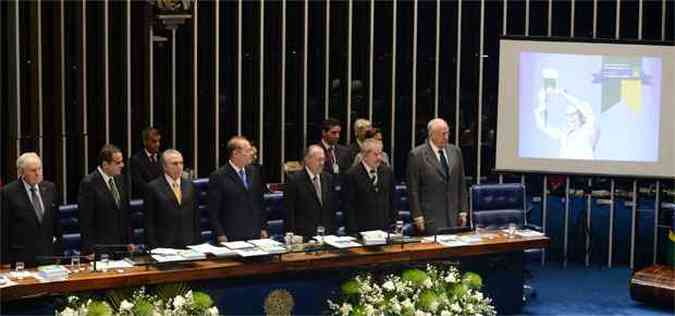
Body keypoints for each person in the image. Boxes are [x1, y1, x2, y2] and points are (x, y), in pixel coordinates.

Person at [407, 118, 468, 235]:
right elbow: (413, 190)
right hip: (430, 218)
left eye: (447, 133)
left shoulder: (455, 151)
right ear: (432, 135)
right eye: (443, 134)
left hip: (454, 216)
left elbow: (461, 183)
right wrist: (417, 215)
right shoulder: (417, 155)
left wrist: (463, 211)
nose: (446, 137)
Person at [1, 153, 63, 266]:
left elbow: (56, 224)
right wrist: (4, 260)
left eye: (39, 169)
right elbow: (4, 229)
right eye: (33, 170)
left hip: (48, 257)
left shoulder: (50, 188)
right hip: (22, 258)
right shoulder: (8, 192)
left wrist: (59, 253)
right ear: (21, 172)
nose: (38, 173)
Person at [208, 136, 267, 242]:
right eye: (248, 151)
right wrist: (220, 233)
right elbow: (213, 210)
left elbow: (260, 202)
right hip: (231, 234)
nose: (252, 154)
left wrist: (263, 227)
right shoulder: (218, 176)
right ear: (235, 153)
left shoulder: (254, 172)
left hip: (255, 233)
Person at [78, 144, 134, 256]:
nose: (122, 165)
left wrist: (130, 241)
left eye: (122, 161)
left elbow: (126, 213)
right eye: (118, 163)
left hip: (122, 247)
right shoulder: (89, 183)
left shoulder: (121, 179)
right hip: (101, 249)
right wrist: (89, 249)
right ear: (105, 164)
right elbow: (85, 220)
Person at [143, 149, 201, 249]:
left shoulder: (190, 185)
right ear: (164, 166)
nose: (179, 167)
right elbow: (149, 222)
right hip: (164, 246)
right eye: (175, 163)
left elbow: (195, 218)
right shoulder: (153, 188)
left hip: (189, 245)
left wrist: (197, 244)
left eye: (181, 163)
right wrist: (154, 248)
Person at [343, 139, 397, 234]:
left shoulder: (387, 172)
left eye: (380, 153)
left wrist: (393, 225)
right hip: (362, 230)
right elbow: (348, 207)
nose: (379, 158)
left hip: (384, 229)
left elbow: (392, 201)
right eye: (375, 154)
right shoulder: (352, 175)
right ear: (365, 155)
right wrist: (353, 232)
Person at [284, 145, 337, 238]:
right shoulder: (294, 180)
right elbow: (289, 211)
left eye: (323, 159)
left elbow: (331, 209)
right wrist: (291, 234)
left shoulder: (328, 178)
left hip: (327, 234)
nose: (322, 163)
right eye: (318, 160)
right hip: (303, 235)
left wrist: (333, 232)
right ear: (307, 160)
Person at [535, 87, 599, 160]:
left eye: (573, 114)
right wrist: (541, 101)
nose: (570, 117)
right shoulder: (564, 134)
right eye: (567, 115)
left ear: (581, 115)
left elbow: (584, 108)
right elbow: (543, 126)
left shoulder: (589, 129)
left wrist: (563, 94)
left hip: (584, 170)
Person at [129, 127, 163, 198]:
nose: (157, 144)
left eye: (158, 141)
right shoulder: (136, 160)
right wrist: (156, 191)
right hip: (145, 199)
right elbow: (138, 183)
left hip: (162, 198)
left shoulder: (163, 157)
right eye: (154, 141)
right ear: (145, 142)